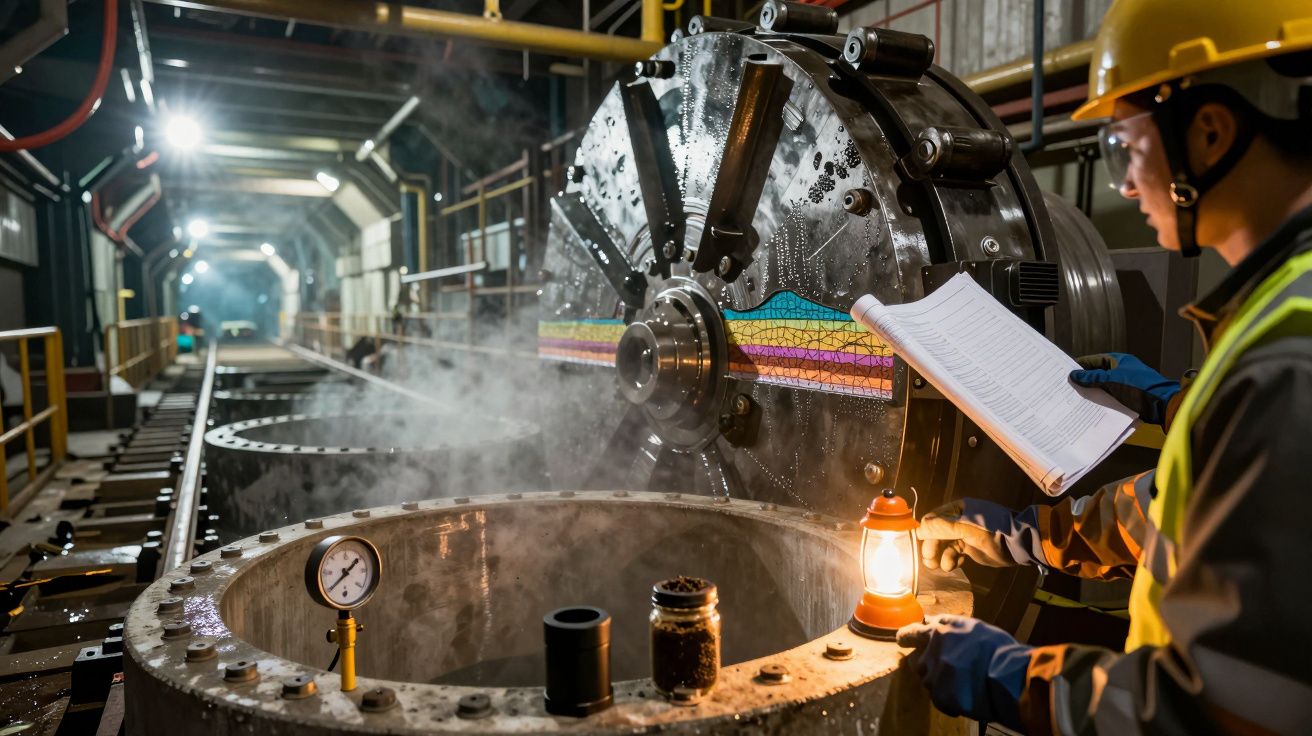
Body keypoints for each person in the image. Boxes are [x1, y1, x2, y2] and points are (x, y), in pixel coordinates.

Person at [895, 1, 1312, 733]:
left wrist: (1012, 678)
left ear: (1210, 133)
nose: (1121, 184)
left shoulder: (1286, 367)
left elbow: (1211, 712)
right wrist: (1024, 533)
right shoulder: (1281, 309)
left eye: (1125, 145)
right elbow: (1178, 510)